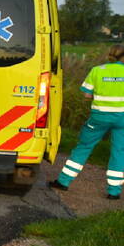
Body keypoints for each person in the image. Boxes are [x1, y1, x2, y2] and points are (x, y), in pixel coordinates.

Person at [48, 44, 124, 200]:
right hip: (122, 118)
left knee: (84, 147)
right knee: (119, 151)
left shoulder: (97, 70)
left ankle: (63, 182)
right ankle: (114, 192)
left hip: (99, 117)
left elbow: (87, 95)